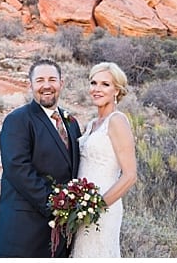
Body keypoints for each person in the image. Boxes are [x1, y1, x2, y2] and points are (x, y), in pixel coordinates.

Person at [0, 58, 82, 258]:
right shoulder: (18, 120)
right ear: (30, 85)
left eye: (52, 79)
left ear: (61, 83)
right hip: (23, 234)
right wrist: (57, 205)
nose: (47, 85)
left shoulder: (71, 122)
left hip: (60, 236)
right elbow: (18, 169)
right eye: (40, 80)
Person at [71, 62, 137, 258]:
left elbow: (130, 175)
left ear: (116, 90)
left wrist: (96, 207)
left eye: (105, 84)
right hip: (82, 207)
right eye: (93, 83)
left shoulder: (117, 121)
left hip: (103, 208)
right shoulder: (92, 124)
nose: (97, 89)